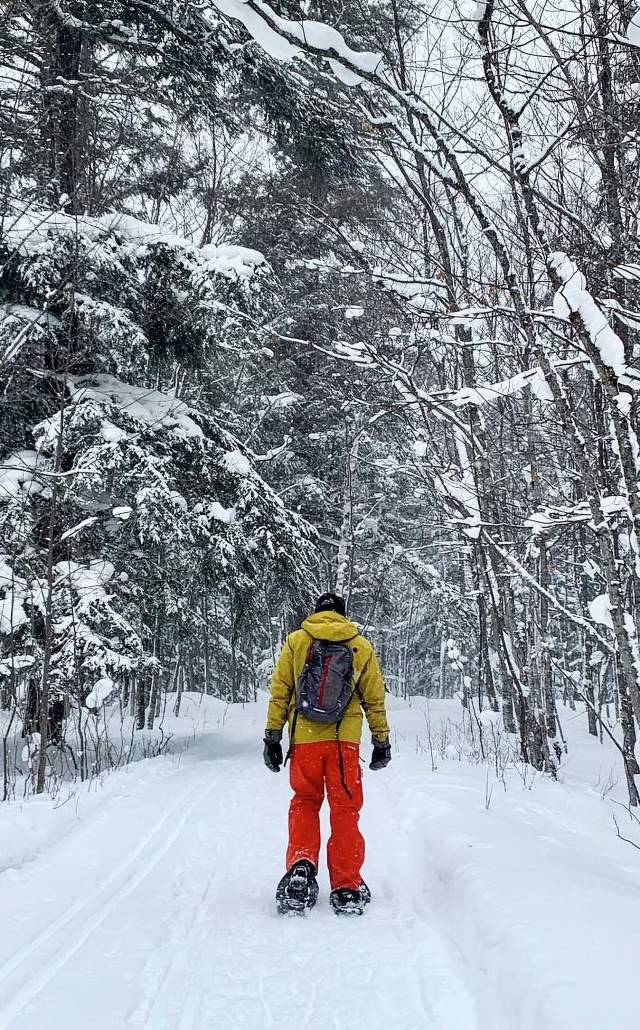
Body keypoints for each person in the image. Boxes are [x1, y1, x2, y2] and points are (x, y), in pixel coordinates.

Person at [263, 591, 391, 916]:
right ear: (342, 615)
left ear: (317, 612)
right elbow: (374, 699)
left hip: (304, 740)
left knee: (305, 802)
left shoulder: (296, 641)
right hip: (342, 743)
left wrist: (272, 736)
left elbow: (280, 691)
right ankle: (347, 886)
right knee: (344, 810)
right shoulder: (359, 646)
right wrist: (381, 741)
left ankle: (301, 867)